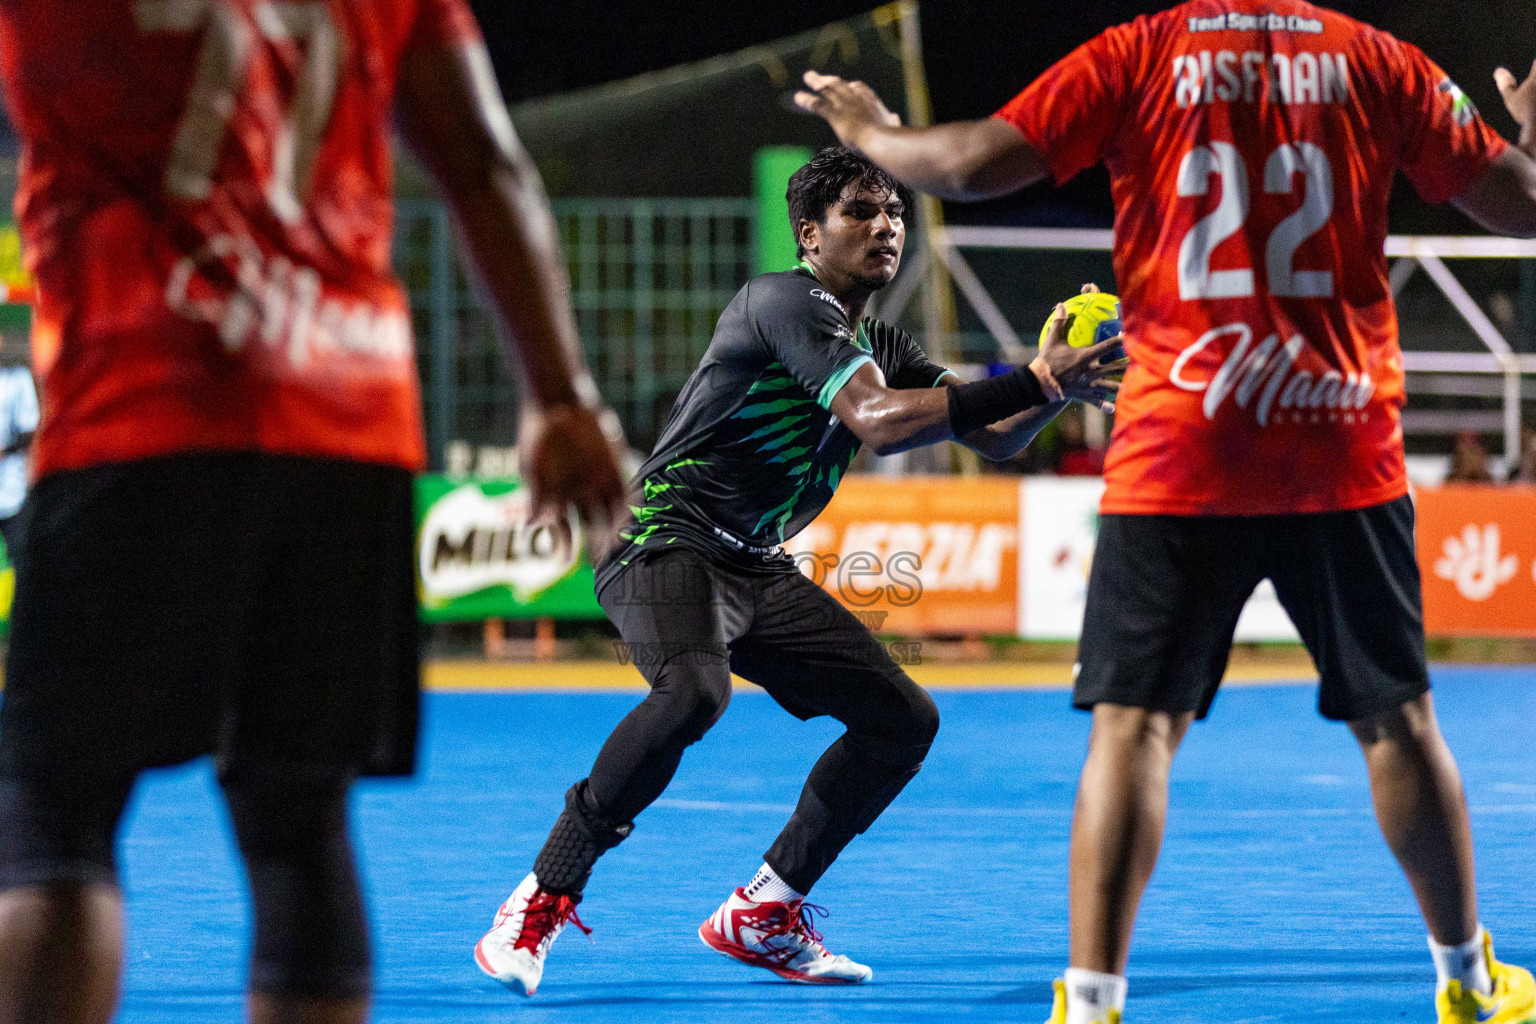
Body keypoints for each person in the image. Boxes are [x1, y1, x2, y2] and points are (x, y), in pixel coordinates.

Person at [796, 4, 1536, 1023]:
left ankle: (1091, 1003)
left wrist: (870, 129)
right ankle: (1465, 981)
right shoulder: (1378, 61)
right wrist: (1529, 134)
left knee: (1133, 731)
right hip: (1337, 441)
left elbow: (968, 163)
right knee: (1399, 723)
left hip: (1178, 442)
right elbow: (1523, 202)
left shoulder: (1144, 52)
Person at [0, 2, 628, 1023]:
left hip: (138, 401)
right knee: (298, 824)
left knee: (54, 822)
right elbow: (485, 163)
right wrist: (561, 395)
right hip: (343, 415)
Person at [473, 145, 1126, 996]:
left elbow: (992, 436)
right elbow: (881, 421)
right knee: (693, 693)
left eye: (893, 212)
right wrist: (1030, 378)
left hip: (751, 563)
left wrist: (1054, 392)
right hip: (662, 537)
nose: (886, 225)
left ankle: (765, 909)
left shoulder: (880, 338)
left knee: (902, 720)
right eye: (862, 211)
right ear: (811, 234)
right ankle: (540, 896)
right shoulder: (781, 300)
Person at [0, 335, 38, 555]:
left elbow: (30, 430)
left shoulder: (17, 378)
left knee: (20, 557)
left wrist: (6, 450)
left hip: (13, 492)